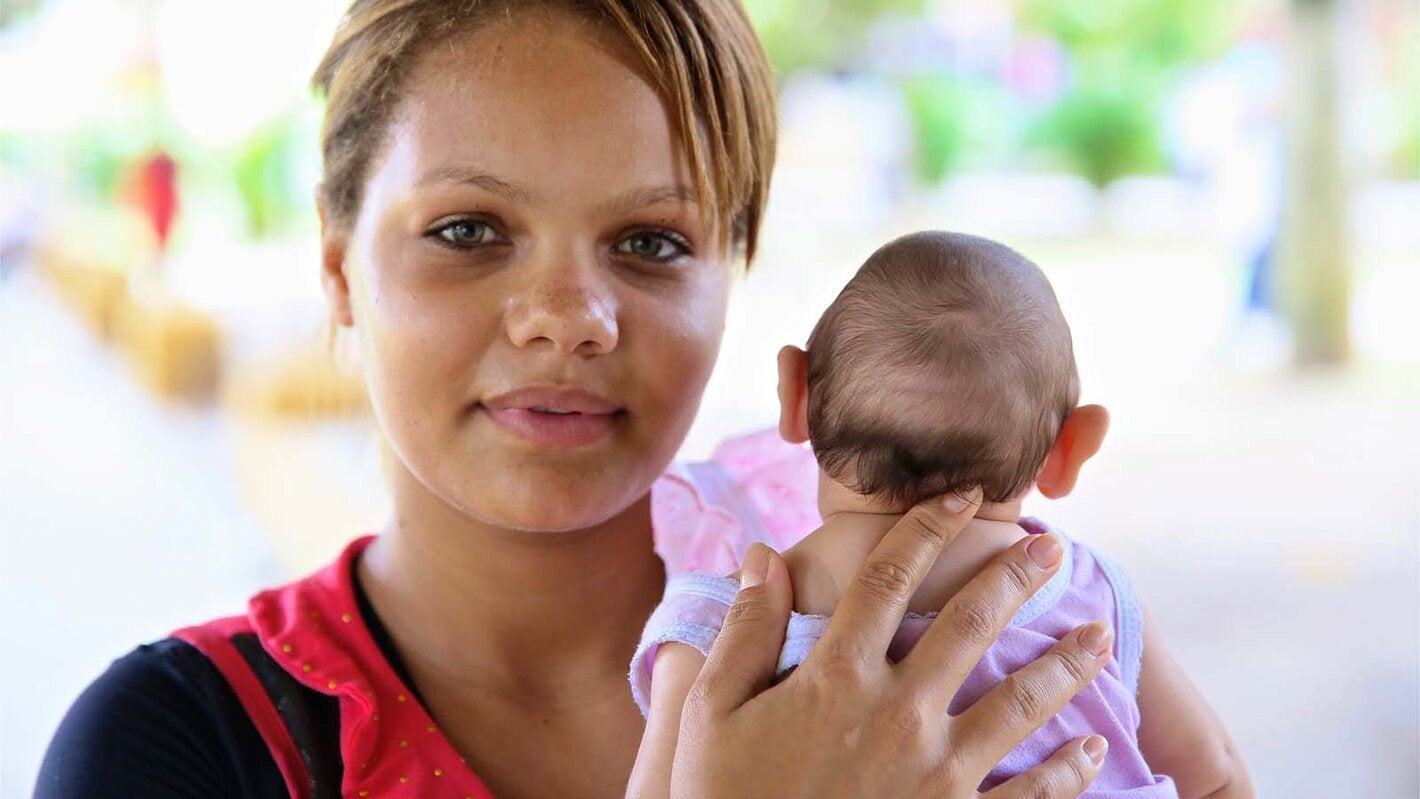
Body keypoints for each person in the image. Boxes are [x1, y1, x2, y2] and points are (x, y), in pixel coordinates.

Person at [36, 3, 1116, 797]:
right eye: (468, 231)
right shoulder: (172, 748)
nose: (567, 317)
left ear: (730, 275)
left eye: (650, 243)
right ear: (335, 262)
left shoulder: (973, 655)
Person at [629, 232, 1253, 799]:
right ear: (1070, 450)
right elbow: (1218, 776)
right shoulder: (1098, 609)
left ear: (796, 397)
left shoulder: (713, 638)